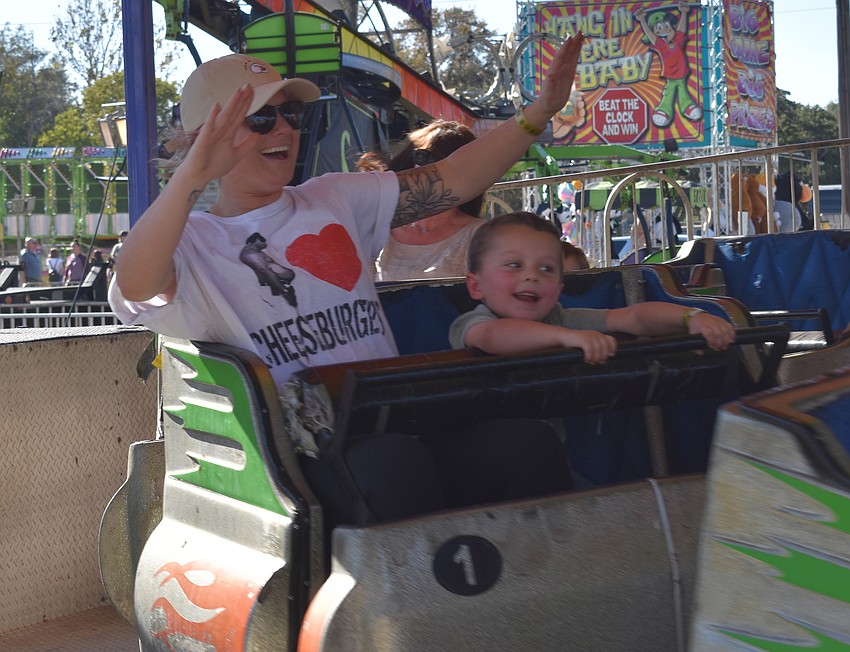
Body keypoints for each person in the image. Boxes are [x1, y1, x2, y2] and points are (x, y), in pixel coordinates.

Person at [109, 38, 586, 521]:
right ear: (203, 138)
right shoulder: (190, 239)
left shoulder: (332, 196)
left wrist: (539, 113)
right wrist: (192, 175)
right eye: (261, 118)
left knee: (524, 445)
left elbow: (455, 179)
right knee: (392, 465)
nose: (284, 128)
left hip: (395, 422)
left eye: (290, 113)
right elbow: (135, 283)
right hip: (297, 459)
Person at [449, 212, 736, 361]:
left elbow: (633, 317)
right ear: (476, 286)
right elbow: (493, 336)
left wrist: (691, 318)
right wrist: (567, 339)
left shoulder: (560, 319)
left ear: (559, 288)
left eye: (546, 269)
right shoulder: (475, 323)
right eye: (514, 265)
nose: (531, 276)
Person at [357, 120, 486, 281]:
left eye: (445, 162)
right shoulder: (375, 227)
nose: (434, 169)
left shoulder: (481, 235)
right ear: (410, 160)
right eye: (424, 156)